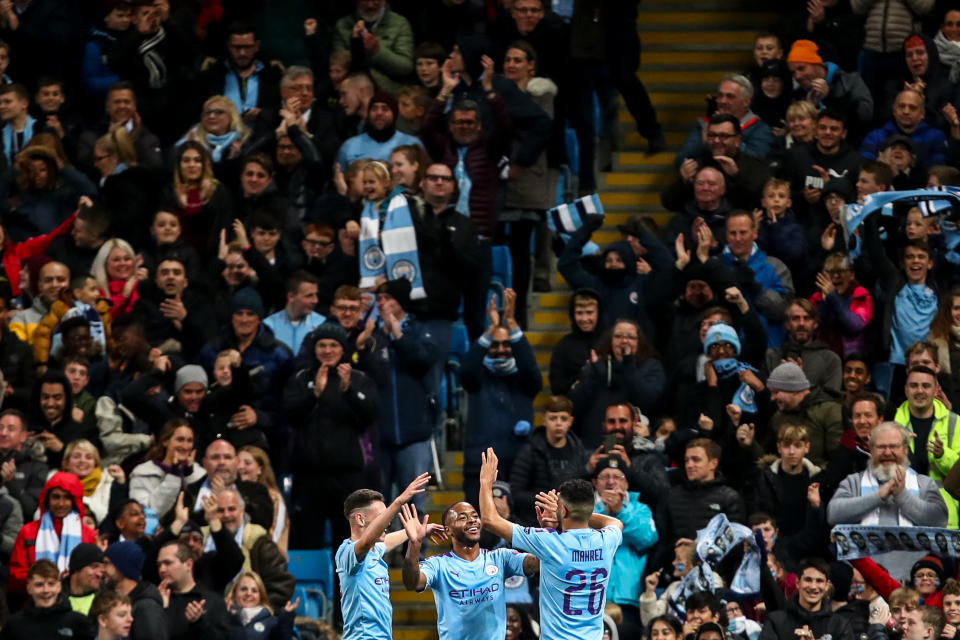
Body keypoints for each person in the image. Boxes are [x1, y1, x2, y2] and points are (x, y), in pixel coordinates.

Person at [478, 448, 623, 640]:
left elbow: (489, 520)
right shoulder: (607, 540)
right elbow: (615, 522)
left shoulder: (550, 541)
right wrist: (576, 512)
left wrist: (486, 483)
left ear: (562, 511)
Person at [284, 322, 379, 548]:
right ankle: (311, 584)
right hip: (308, 475)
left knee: (348, 542)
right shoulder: (300, 378)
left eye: (333, 345)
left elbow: (371, 415)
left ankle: (344, 585)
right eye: (322, 345)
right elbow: (289, 414)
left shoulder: (358, 379)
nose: (327, 350)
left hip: (348, 476)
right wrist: (313, 393)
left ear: (342, 348)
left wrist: (350, 392)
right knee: (307, 540)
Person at [399, 500, 539, 640]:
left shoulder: (500, 557)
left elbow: (536, 564)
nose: (472, 520)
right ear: (448, 530)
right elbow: (412, 582)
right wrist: (414, 544)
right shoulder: (438, 565)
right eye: (463, 518)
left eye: (474, 516)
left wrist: (546, 536)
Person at [461, 290, 542, 507]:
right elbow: (466, 370)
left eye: (507, 345)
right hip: (479, 467)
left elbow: (531, 367)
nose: (501, 349)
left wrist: (512, 323)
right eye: (494, 345)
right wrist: (490, 329)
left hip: (519, 468)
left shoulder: (525, 381)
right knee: (476, 528)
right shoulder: (478, 378)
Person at [335, 474, 433, 640]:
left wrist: (418, 530)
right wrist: (398, 502)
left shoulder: (374, 551)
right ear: (360, 519)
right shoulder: (346, 553)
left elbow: (385, 543)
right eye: (382, 516)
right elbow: (365, 542)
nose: (388, 522)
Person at [652, 438, 744, 572]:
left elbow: (735, 545)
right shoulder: (671, 496)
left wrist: (698, 548)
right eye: (687, 460)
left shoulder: (729, 498)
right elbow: (661, 540)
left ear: (713, 463)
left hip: (715, 577)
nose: (689, 465)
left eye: (696, 459)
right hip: (675, 575)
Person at [592, 458, 658, 629]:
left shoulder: (641, 509)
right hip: (591, 598)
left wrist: (620, 512)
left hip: (629, 598)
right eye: (605, 476)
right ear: (595, 482)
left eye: (618, 476)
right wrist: (603, 512)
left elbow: (647, 539)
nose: (611, 481)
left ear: (627, 483)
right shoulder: (585, 508)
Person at [203, 489, 294, 611]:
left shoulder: (259, 543)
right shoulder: (199, 540)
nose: (226, 515)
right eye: (220, 510)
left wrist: (260, 612)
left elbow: (282, 585)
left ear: (242, 510)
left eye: (232, 509)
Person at [8, 471, 98, 594]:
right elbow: (16, 573)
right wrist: (44, 585)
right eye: (56, 497)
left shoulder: (88, 534)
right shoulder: (28, 531)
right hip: (35, 599)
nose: (61, 503)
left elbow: (93, 574)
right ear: (47, 499)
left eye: (67, 497)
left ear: (75, 501)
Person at [509, 395, 588, 526]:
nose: (558, 423)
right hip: (535, 522)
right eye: (553, 418)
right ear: (544, 420)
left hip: (570, 522)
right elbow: (516, 493)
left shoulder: (578, 450)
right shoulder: (530, 451)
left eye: (563, 418)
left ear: (571, 421)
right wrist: (548, 502)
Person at [675, 74, 775, 165]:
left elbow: (757, 161)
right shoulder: (705, 125)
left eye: (730, 97)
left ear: (746, 102)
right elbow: (681, 159)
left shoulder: (760, 129)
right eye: (720, 95)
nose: (722, 101)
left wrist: (729, 143)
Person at [766, 362, 844, 468]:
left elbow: (839, 459)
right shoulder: (777, 418)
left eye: (776, 392)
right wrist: (750, 445)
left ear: (793, 390)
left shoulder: (829, 411)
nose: (772, 398)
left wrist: (816, 478)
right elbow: (769, 458)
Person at [758, 557, 855, 640]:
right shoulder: (776, 621)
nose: (813, 586)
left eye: (819, 581)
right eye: (808, 580)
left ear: (827, 586)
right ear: (797, 583)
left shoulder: (840, 625)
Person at [128, 420, 205, 523]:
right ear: (165, 441)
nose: (185, 446)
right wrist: (174, 476)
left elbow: (202, 512)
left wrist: (188, 476)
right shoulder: (143, 473)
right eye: (180, 439)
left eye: (189, 441)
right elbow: (145, 516)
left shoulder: (199, 474)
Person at [332, 0, 414, 94]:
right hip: (353, 95)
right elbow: (339, 68)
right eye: (365, 0)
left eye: (375, 0)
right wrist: (356, 43)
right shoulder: (342, 26)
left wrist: (377, 51)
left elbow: (406, 68)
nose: (370, 5)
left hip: (389, 96)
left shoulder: (400, 24)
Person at [156, 540, 231, 640]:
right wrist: (162, 610)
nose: (162, 570)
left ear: (188, 564)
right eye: (159, 565)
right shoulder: (155, 601)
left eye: (168, 563)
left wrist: (199, 623)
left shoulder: (212, 601)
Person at [2, 559, 94, 640]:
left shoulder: (78, 623)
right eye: (39, 585)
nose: (46, 590)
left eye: (51, 584)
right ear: (29, 588)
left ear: (59, 587)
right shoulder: (14, 625)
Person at [764, 299, 843, 393]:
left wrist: (800, 382)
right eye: (796, 318)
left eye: (807, 318)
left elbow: (831, 401)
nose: (801, 323)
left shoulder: (830, 359)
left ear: (815, 324)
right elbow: (767, 397)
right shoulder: (772, 356)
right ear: (787, 324)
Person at [335, 91, 421, 169]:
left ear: (394, 115)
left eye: (385, 109)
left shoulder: (412, 144)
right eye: (374, 109)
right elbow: (339, 180)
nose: (379, 113)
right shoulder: (349, 146)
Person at [103, 543, 166, 640]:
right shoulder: (112, 598)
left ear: (121, 566)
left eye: (107, 563)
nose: (103, 569)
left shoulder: (146, 608)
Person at [549, 289, 602, 396]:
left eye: (589, 312)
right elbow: (556, 386)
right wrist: (582, 374)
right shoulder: (564, 345)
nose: (584, 318)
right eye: (579, 313)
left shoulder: (610, 341)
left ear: (599, 313)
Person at [237, 446, 288, 554]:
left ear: (260, 469)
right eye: (238, 462)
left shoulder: (273, 496)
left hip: (268, 557)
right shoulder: (232, 493)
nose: (240, 467)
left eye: (247, 463)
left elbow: (276, 533)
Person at [0, 408, 49, 518]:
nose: (3, 433)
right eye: (0, 428)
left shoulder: (37, 466)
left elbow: (31, 509)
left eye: (11, 429)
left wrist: (11, 483)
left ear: (23, 436)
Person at [262, 270, 324, 355]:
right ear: (291, 296)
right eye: (309, 296)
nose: (315, 300)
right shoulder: (268, 326)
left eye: (316, 295)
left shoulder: (322, 324)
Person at [224, 571, 297, 640]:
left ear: (260, 596)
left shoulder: (271, 621)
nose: (249, 593)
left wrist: (286, 617)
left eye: (254, 591)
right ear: (234, 592)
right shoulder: (223, 617)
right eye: (243, 589)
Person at [65, 543, 104, 615]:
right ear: (77, 568)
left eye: (101, 569)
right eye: (94, 567)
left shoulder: (105, 601)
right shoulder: (55, 597)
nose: (99, 574)